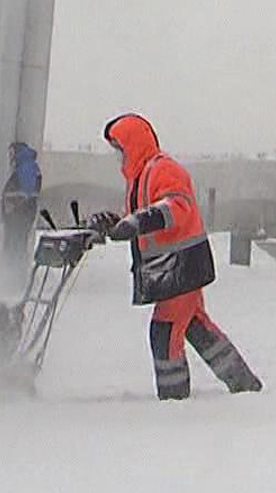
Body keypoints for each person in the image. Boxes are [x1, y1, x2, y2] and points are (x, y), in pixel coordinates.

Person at [89, 113, 262, 398]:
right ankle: (243, 383)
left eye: (120, 149)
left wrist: (137, 223)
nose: (118, 157)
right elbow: (139, 214)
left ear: (132, 145)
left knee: (165, 330)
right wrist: (115, 221)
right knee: (197, 327)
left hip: (182, 265)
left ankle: (173, 398)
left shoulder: (164, 169)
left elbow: (177, 206)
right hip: (173, 267)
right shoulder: (140, 178)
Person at [1, 142, 43, 266]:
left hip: (19, 216)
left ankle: (13, 275)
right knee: (17, 245)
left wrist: (12, 205)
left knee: (15, 247)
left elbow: (26, 193)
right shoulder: (26, 167)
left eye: (11, 152)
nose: (10, 156)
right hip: (21, 215)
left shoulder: (27, 167)